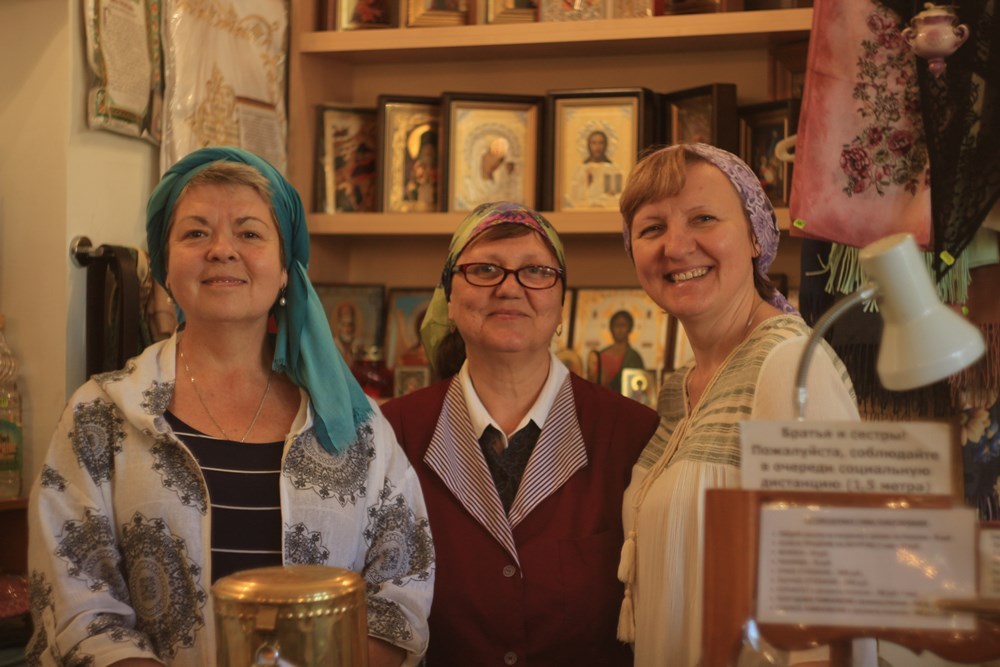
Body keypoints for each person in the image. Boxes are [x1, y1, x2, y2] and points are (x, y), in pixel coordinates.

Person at [27, 147, 433, 667]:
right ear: (165, 267)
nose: (221, 250)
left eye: (249, 233)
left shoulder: (354, 424)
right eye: (196, 233)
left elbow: (401, 590)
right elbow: (77, 605)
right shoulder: (101, 416)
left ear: (285, 269)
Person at [379, 201, 660, 666]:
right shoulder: (392, 434)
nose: (510, 288)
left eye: (535, 271)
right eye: (485, 269)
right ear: (449, 299)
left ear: (561, 304)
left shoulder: (633, 433)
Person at [616, 143, 860, 666]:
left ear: (755, 235)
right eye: (652, 228)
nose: (676, 247)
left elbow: (829, 602)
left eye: (703, 218)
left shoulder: (791, 365)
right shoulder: (679, 389)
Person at [587, 309, 645, 393]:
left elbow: (639, 387)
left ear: (629, 328)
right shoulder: (601, 355)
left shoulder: (634, 357)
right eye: (616, 325)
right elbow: (593, 385)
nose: (620, 329)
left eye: (623, 325)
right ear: (611, 328)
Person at [571, 129, 623, 209]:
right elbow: (575, 197)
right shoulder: (581, 169)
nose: (597, 147)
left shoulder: (613, 169)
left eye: (601, 143)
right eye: (594, 143)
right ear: (589, 145)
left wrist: (612, 194)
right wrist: (587, 182)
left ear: (605, 145)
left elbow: (618, 196)